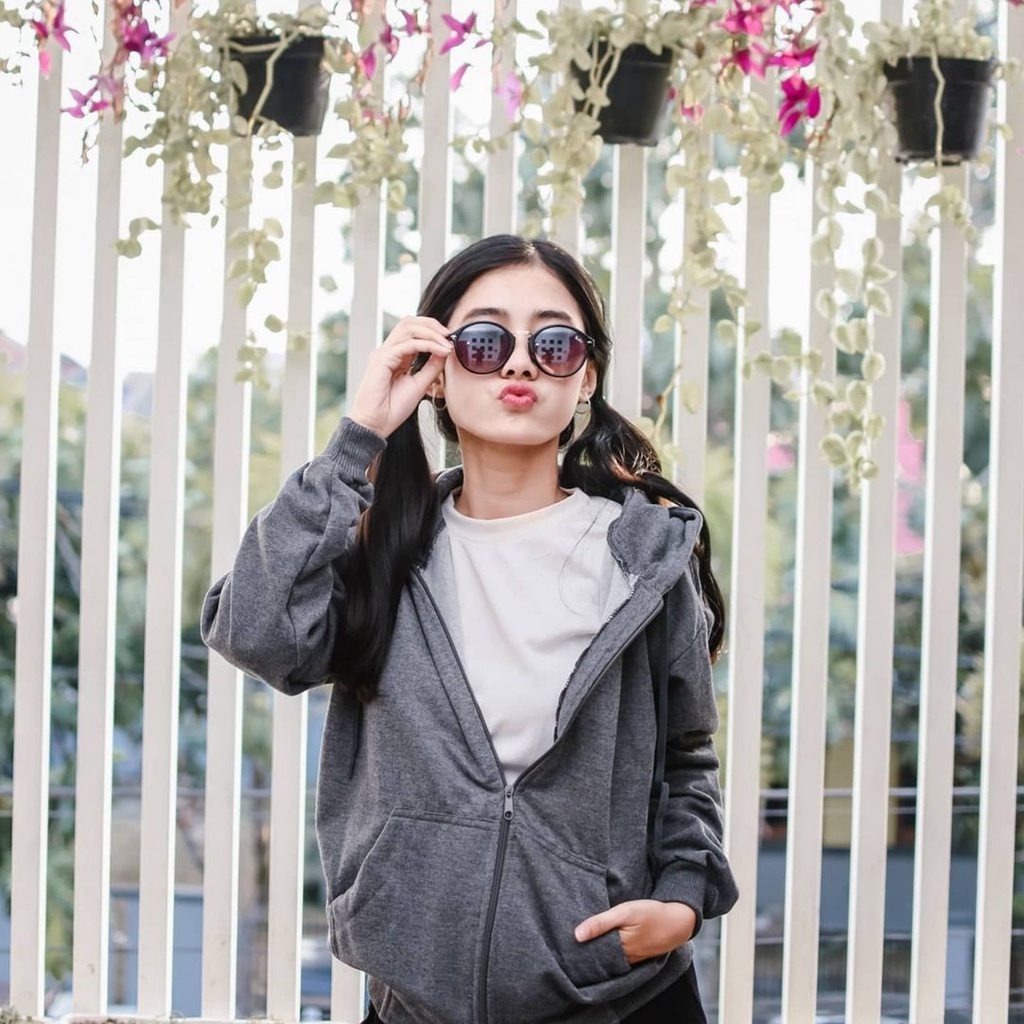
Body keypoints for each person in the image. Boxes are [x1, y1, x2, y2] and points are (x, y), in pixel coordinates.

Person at [202, 234, 738, 1024]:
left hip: (623, 1000)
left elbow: (687, 758)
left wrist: (684, 903)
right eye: (485, 343)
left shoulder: (645, 556)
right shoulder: (383, 555)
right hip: (416, 1006)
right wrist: (359, 438)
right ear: (437, 371)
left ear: (585, 376)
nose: (520, 363)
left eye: (553, 344)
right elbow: (252, 630)